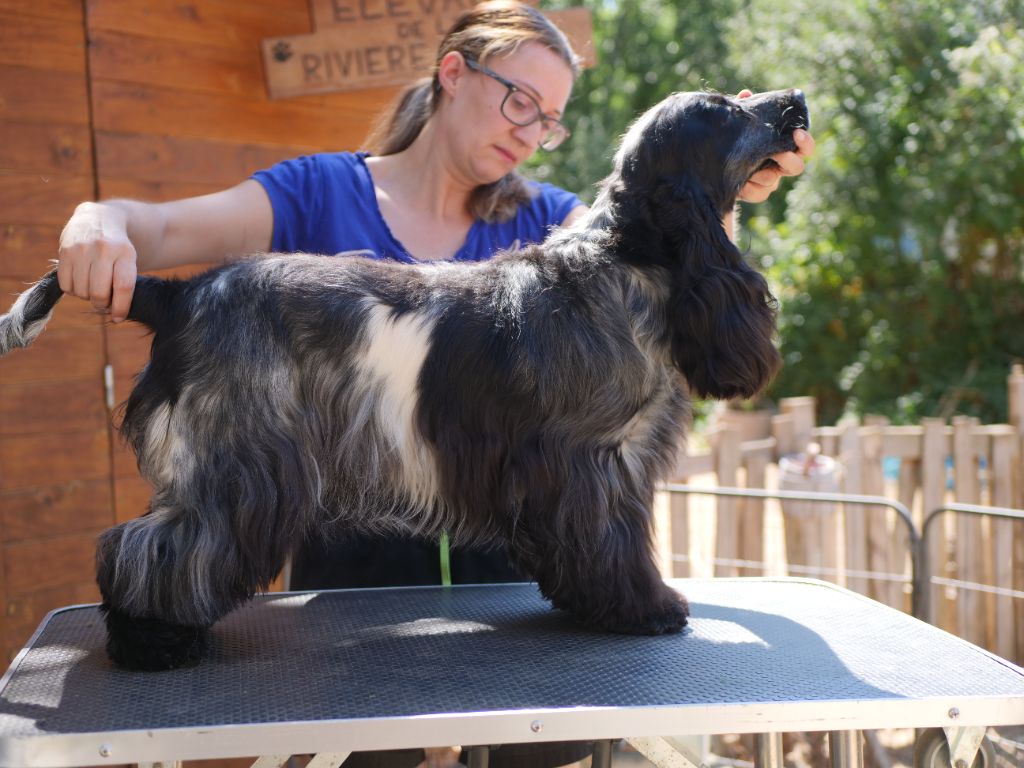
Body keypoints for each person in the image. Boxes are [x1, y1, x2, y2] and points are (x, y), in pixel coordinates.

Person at [56, 3, 814, 765]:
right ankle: (154, 588)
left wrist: (724, 175)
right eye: (520, 99)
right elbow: (154, 232)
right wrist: (100, 220)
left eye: (548, 119)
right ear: (455, 73)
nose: (529, 130)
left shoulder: (555, 226)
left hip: (524, 620)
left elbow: (639, 227)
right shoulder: (319, 190)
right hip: (345, 619)